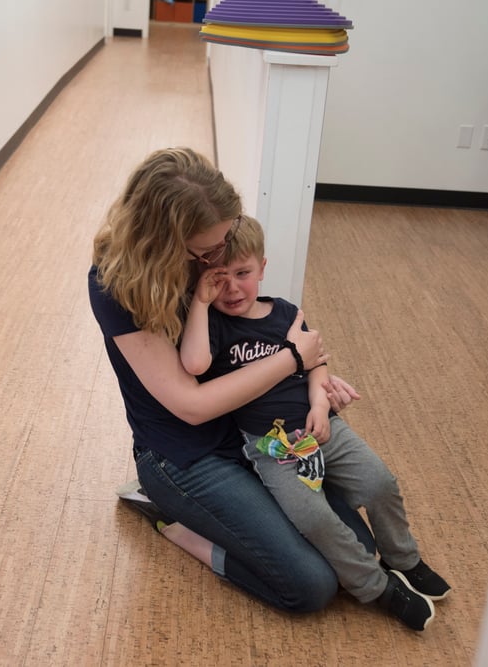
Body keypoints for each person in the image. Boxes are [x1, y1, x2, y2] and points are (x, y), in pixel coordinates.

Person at [89, 147, 378, 615]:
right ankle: (174, 522)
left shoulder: (210, 250)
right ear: (166, 240)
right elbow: (192, 405)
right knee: (311, 586)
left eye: (224, 243)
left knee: (358, 553)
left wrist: (307, 374)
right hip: (184, 455)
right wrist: (288, 361)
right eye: (207, 251)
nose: (218, 260)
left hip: (253, 432)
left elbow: (252, 337)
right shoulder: (114, 284)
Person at [178, 215, 450, 631]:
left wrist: (321, 407)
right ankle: (377, 587)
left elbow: (317, 364)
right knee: (314, 517)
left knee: (380, 482)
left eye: (243, 274)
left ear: (263, 268)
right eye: (219, 278)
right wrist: (199, 302)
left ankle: (403, 559)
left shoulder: (285, 313)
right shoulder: (215, 327)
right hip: (274, 449)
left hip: (323, 426)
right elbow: (195, 363)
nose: (232, 288)